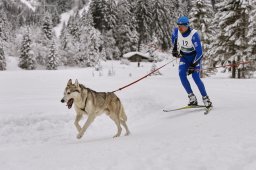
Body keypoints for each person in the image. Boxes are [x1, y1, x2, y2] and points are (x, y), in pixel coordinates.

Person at [171, 16, 212, 108]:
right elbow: (174, 38)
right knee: (181, 74)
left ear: (187, 25)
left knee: (195, 77)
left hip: (195, 58)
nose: (180, 28)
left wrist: (193, 65)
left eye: (182, 26)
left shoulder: (194, 35)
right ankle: (192, 98)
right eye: (178, 26)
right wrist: (175, 49)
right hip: (184, 57)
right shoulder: (176, 30)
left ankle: (206, 98)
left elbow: (200, 53)